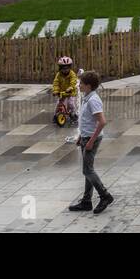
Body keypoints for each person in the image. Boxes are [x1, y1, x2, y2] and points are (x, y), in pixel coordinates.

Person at [69, 71, 114, 214]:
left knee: (87, 170)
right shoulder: (86, 97)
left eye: (81, 83)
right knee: (88, 170)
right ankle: (86, 201)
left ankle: (105, 196)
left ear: (88, 86)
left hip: (91, 139)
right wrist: (80, 136)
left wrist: (90, 141)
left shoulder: (93, 100)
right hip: (86, 137)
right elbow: (86, 120)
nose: (79, 85)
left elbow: (102, 122)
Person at [51, 56, 78, 122]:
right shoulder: (58, 75)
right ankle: (55, 115)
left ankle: (73, 113)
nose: (65, 70)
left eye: (67, 68)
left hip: (71, 92)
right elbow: (56, 83)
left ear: (70, 68)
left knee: (70, 103)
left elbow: (73, 81)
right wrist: (55, 90)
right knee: (59, 104)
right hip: (62, 92)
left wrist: (71, 87)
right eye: (63, 68)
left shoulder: (72, 74)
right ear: (60, 68)